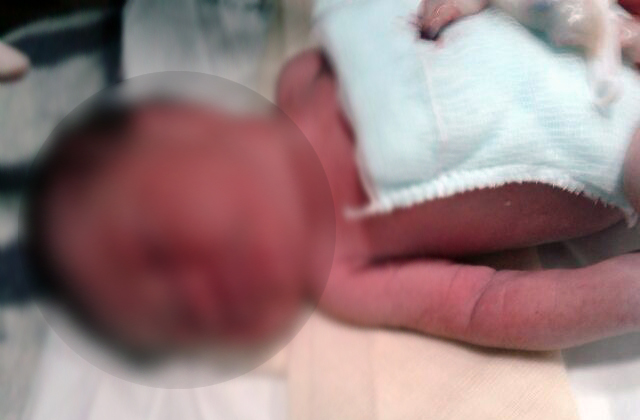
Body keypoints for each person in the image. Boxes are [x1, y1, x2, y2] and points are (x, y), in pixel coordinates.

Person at [24, 5, 640, 353]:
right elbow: (485, 305)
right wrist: (618, 293)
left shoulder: (304, 76)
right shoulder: (336, 273)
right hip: (615, 146)